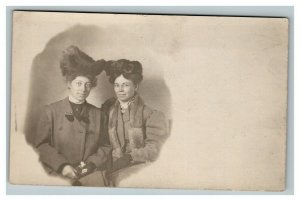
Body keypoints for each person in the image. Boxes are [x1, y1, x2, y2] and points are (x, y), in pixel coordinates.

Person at [34, 45, 111, 186]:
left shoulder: (99, 115)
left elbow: (105, 146)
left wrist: (92, 164)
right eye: (79, 83)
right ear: (69, 84)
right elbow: (42, 146)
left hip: (91, 175)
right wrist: (62, 166)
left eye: (87, 84)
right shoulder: (51, 111)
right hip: (58, 175)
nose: (83, 89)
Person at [102, 59, 169, 186]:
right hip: (111, 167)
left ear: (136, 86)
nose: (120, 90)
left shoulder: (152, 115)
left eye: (126, 85)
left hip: (139, 167)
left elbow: (156, 149)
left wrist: (129, 157)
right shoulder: (108, 112)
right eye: (117, 85)